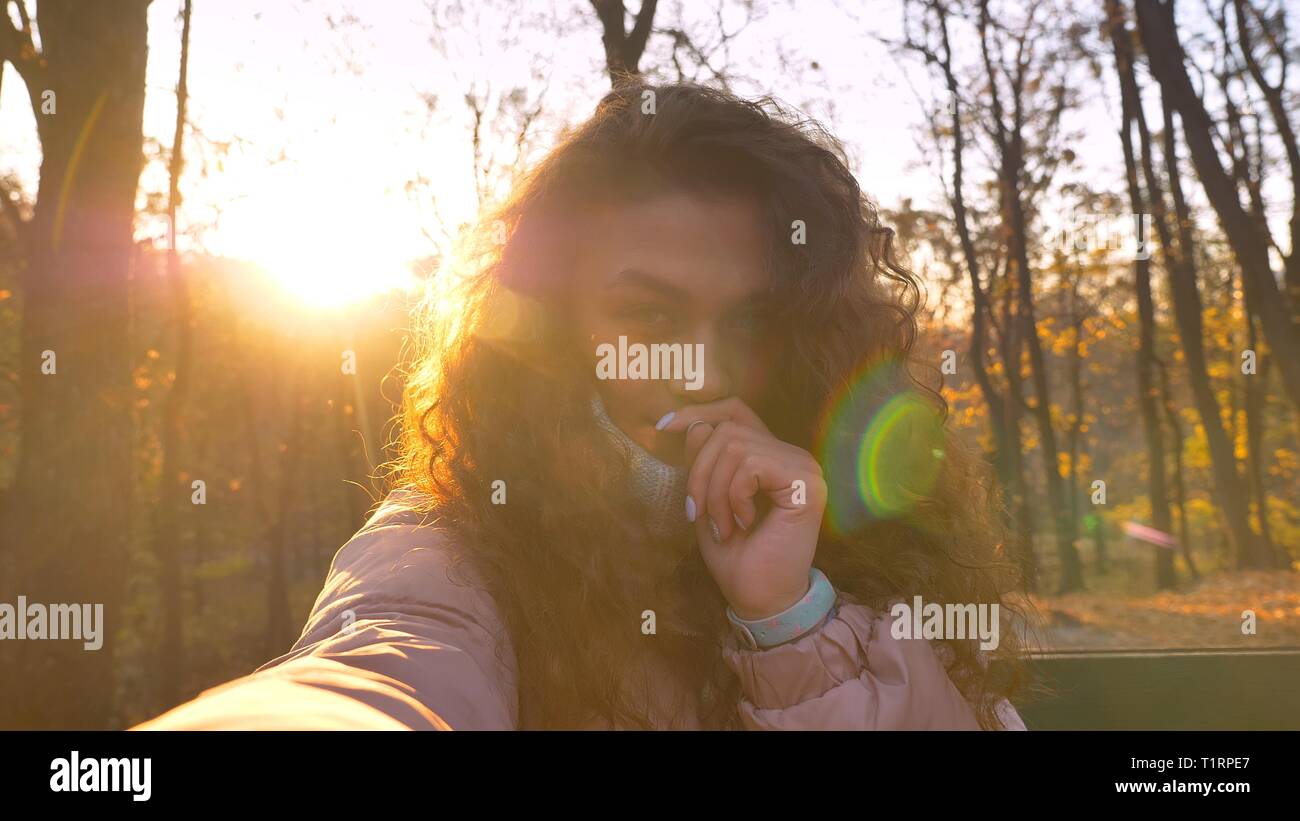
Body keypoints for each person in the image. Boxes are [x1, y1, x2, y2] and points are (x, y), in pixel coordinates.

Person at [137, 82, 1030, 731]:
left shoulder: (871, 541)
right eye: (649, 314)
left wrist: (790, 616)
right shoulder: (454, 545)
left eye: (753, 325)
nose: (701, 369)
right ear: (556, 335)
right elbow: (381, 668)